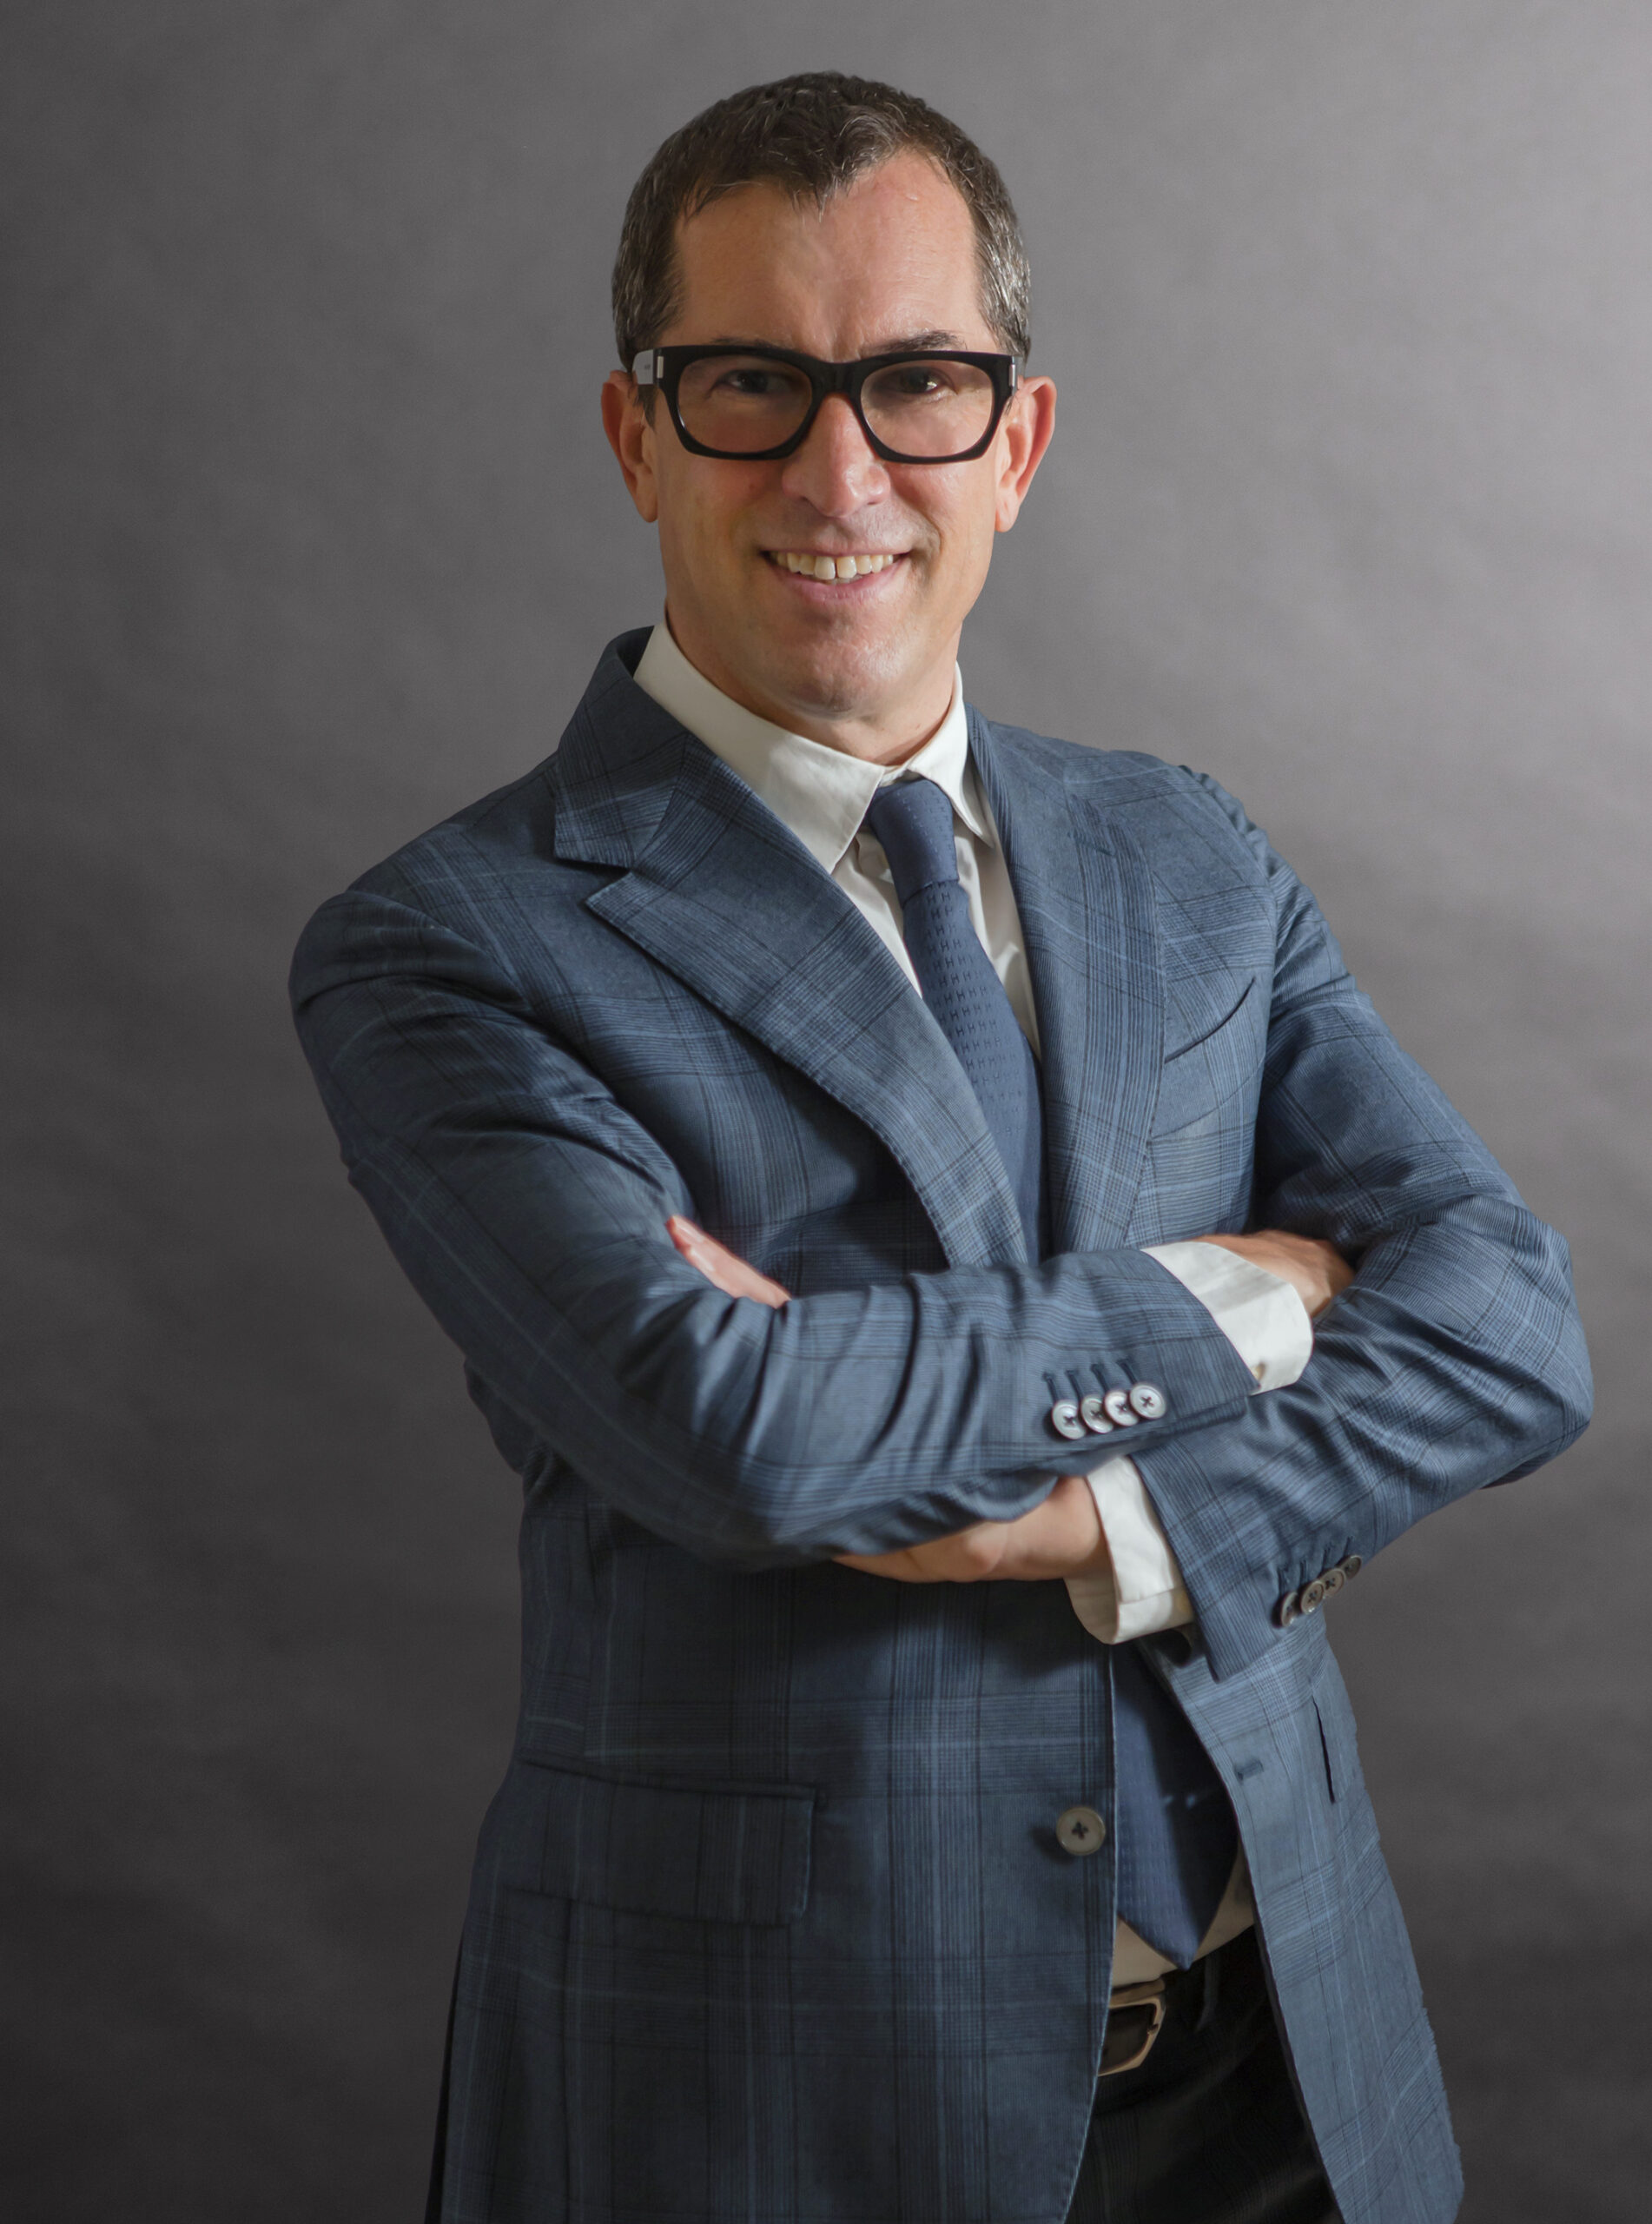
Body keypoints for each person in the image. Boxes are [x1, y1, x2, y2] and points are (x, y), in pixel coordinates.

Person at [290, 71, 1590, 2224]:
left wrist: (1110, 1522)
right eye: (751, 385)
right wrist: (1248, 1291)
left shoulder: (1189, 848)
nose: (842, 471)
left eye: (916, 384)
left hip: (1293, 2067)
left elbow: (1513, 1319)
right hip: (767, 2104)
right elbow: (735, 1431)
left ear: (1019, 441)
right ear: (637, 435)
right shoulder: (450, 944)